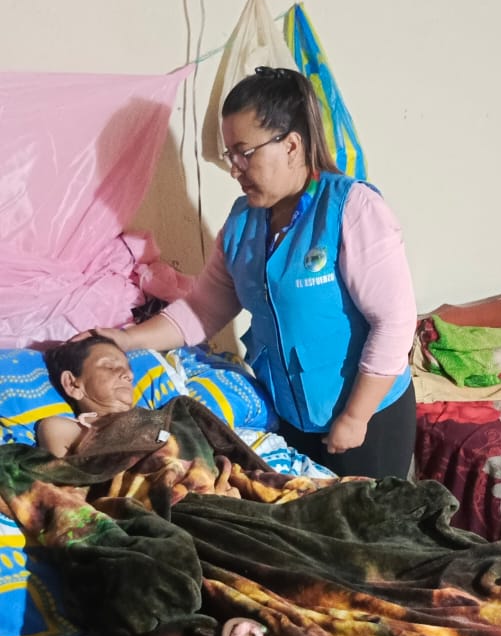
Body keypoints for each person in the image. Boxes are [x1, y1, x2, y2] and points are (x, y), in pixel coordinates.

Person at [81, 67, 417, 478]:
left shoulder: (351, 208)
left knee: (373, 518)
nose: (235, 168)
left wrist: (355, 416)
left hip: (369, 417)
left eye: (245, 153)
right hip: (293, 417)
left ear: (291, 145)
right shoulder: (243, 222)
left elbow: (394, 322)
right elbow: (202, 309)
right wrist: (124, 339)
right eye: (230, 156)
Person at [37, 334, 134, 456]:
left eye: (128, 369)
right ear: (72, 384)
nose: (129, 375)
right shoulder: (65, 429)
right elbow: (59, 468)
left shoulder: (151, 417)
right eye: (109, 366)